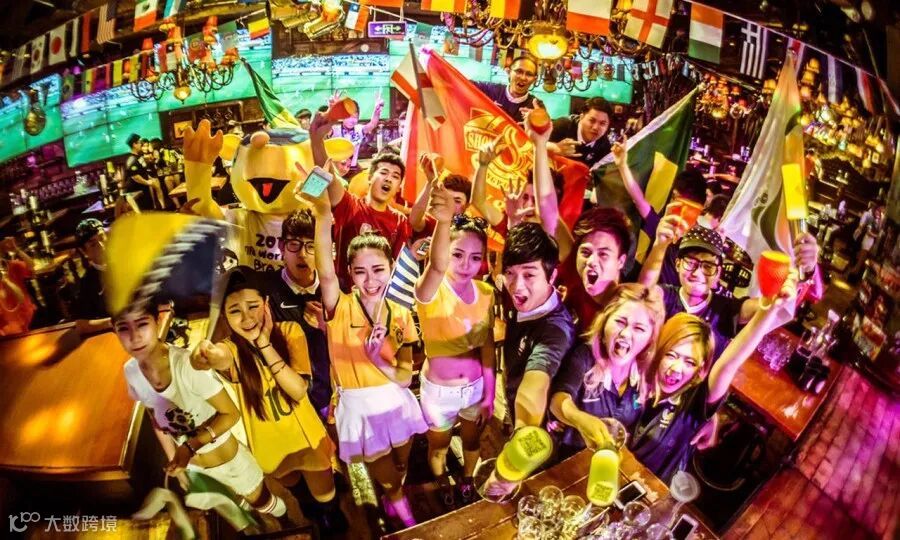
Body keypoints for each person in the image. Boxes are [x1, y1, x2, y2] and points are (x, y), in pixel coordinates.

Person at [304, 187, 427, 528]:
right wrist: (323, 215)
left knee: (400, 466)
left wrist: (379, 361)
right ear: (350, 273)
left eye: (378, 269)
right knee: (391, 482)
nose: (370, 280)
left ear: (391, 267)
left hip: (398, 404)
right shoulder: (339, 306)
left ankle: (393, 496)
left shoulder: (400, 313)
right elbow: (325, 272)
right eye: (360, 271)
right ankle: (407, 525)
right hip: (360, 410)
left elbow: (405, 377)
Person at [191, 269, 346, 532]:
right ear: (225, 317)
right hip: (271, 445)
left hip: (306, 439)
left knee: (326, 493)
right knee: (297, 489)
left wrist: (265, 344)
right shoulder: (231, 350)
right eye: (235, 311)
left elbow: (298, 390)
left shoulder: (290, 331)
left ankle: (331, 515)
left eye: (253, 306)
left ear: (266, 304)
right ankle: (313, 514)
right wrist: (204, 355)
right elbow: (217, 357)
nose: (246, 317)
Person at [116, 304, 288, 521]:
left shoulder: (187, 366)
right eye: (123, 328)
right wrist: (175, 460)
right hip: (195, 467)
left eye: (142, 324)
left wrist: (189, 447)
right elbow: (156, 419)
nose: (134, 337)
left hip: (228, 462)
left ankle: (288, 522)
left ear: (158, 322)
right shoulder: (131, 371)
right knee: (235, 503)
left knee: (263, 502)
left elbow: (231, 414)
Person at [630, 271, 798, 482]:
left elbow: (730, 362)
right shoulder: (634, 377)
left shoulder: (694, 402)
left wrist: (770, 308)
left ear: (701, 371)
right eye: (671, 355)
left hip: (649, 492)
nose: (676, 368)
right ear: (659, 350)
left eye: (690, 362)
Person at [414, 186, 495, 506]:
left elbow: (487, 346)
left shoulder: (486, 292)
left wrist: (490, 393)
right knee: (439, 445)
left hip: (474, 388)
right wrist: (443, 222)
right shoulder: (430, 291)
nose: (465, 264)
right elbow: (436, 267)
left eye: (476, 257)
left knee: (472, 442)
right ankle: (441, 481)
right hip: (438, 392)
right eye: (457, 254)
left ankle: (467, 478)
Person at [640, 224, 818, 360]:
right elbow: (642, 294)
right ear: (678, 264)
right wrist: (659, 245)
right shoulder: (665, 296)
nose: (697, 273)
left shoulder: (724, 309)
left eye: (708, 266)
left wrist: (804, 273)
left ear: (718, 273)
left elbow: (768, 304)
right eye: (691, 263)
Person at [549, 284, 665, 456]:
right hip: (567, 460)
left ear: (650, 339)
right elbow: (558, 399)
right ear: (604, 324)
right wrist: (578, 419)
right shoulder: (585, 356)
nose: (625, 334)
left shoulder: (645, 376)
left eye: (639, 328)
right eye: (620, 322)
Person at [252, 209, 332, 419]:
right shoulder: (264, 289)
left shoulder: (333, 288)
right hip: (286, 399)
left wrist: (327, 328)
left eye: (311, 245)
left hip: (330, 397)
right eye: (294, 244)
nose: (302, 254)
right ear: (281, 247)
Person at [501, 222, 576, 429]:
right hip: (510, 392)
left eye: (529, 275)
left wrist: (523, 432)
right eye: (509, 273)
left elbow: (536, 382)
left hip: (542, 429)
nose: (517, 286)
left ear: (552, 276)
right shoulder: (522, 297)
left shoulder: (556, 331)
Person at [408, 153, 473, 236]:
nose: (450, 204)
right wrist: (430, 182)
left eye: (457, 201)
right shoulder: (434, 221)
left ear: (467, 205)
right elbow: (414, 220)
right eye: (446, 198)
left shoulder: (471, 232)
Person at [549, 98, 614, 168]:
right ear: (581, 117)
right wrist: (555, 148)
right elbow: (539, 143)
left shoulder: (604, 145)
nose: (595, 127)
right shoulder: (563, 125)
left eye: (602, 123)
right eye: (592, 120)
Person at [72, 219, 112, 334]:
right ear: (84, 251)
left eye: (102, 238)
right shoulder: (87, 282)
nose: (101, 246)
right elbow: (81, 325)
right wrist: (113, 322)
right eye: (93, 244)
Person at [474, 56, 543, 121]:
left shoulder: (536, 107)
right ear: (509, 72)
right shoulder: (489, 90)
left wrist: (538, 122)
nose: (523, 78)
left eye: (529, 74)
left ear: (534, 79)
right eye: (519, 71)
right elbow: (467, 87)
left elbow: (545, 126)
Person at [329, 94, 384, 170]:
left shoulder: (359, 129)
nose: (352, 120)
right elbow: (324, 127)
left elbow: (372, 124)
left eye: (355, 117)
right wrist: (331, 109)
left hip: (353, 169)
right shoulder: (335, 130)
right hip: (337, 170)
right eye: (348, 116)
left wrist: (376, 111)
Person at [0, 237, 36, 337]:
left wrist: (16, 250)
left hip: (25, 314)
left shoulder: (11, 265)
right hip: (9, 324)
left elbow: (31, 266)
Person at [124, 134, 166, 210]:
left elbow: (143, 171)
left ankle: (162, 208)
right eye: (139, 142)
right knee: (145, 211)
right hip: (136, 192)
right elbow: (135, 177)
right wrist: (147, 182)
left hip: (143, 188)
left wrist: (150, 179)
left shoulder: (139, 156)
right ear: (134, 144)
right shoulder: (131, 159)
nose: (141, 144)